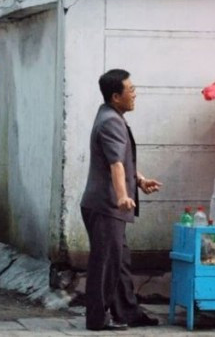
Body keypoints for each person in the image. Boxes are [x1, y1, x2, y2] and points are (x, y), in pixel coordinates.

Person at [80, 69, 163, 331]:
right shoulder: (111, 122)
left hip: (106, 204)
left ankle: (127, 311)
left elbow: (122, 162)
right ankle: (97, 319)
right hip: (107, 206)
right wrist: (123, 196)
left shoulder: (109, 115)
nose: (135, 94)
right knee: (105, 264)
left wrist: (139, 180)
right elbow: (115, 164)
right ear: (116, 96)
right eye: (131, 89)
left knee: (120, 262)